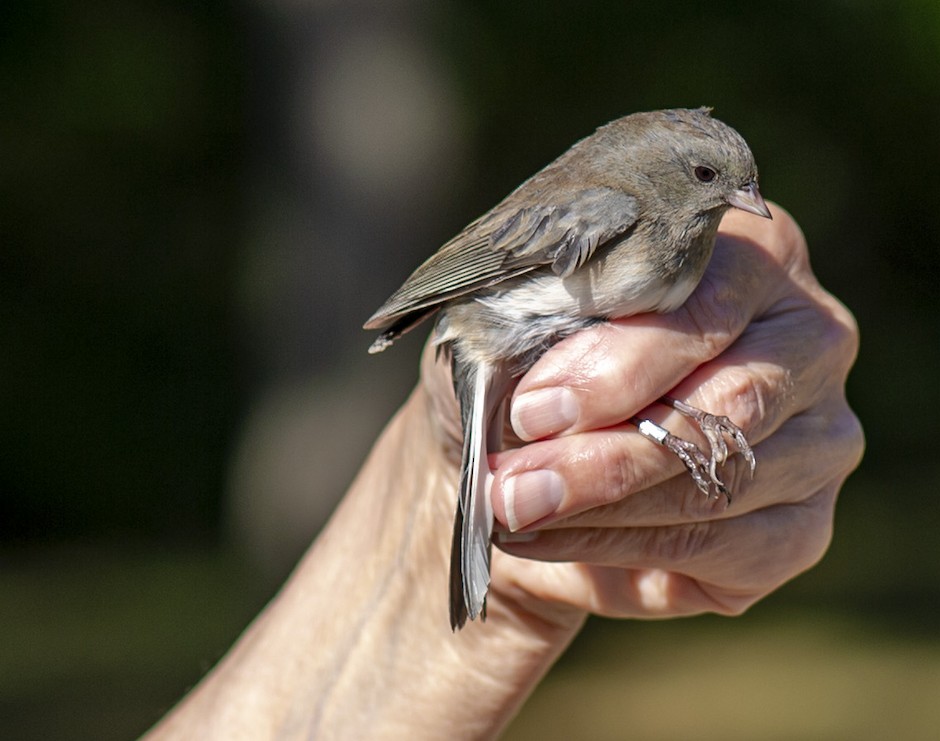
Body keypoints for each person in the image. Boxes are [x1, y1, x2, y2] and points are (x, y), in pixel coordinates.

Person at [145, 205, 863, 739]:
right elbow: (499, 274)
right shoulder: (611, 200)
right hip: (493, 328)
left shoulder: (678, 226)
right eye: (710, 179)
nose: (741, 198)